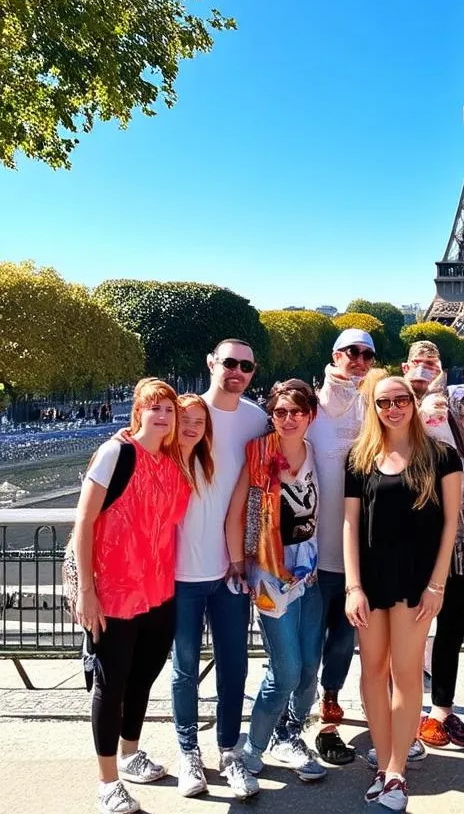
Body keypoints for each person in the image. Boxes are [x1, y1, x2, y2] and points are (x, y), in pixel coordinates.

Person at [343, 375, 464, 811]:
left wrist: (437, 584)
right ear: (373, 407)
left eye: (400, 400)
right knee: (373, 670)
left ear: (413, 403)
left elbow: (451, 523)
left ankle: (396, 771)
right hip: (372, 579)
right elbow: (350, 524)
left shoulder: (441, 456)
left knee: (407, 672)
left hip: (417, 580)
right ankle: (384, 762)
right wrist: (352, 586)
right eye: (383, 402)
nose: (392, 408)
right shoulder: (360, 458)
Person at [73, 378, 193, 814]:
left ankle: (129, 753)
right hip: (116, 591)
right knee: (111, 683)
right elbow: (84, 522)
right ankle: (107, 781)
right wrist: (87, 590)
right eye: (153, 408)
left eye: (168, 410)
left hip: (158, 591)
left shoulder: (171, 462)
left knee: (142, 676)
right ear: (138, 411)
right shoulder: (116, 453)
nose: (162, 416)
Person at [172, 341, 266, 799]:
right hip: (179, 569)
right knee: (184, 667)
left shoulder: (256, 419)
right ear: (211, 363)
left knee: (235, 665)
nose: (237, 371)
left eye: (245, 365)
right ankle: (188, 751)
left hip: (231, 568)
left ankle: (229, 750)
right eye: (229, 362)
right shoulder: (183, 413)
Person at [230, 380, 327, 783]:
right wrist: (239, 564)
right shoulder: (258, 454)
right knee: (285, 670)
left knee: (309, 668)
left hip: (310, 569)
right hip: (271, 572)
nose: (288, 419)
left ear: (311, 416)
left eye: (297, 412)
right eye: (281, 412)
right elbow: (236, 511)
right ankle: (253, 745)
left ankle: (290, 733)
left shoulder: (313, 452)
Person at [400, 343, 464, 752]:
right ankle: (407, 716)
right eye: (418, 363)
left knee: (449, 633)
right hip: (412, 548)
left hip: (457, 545)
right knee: (411, 634)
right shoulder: (391, 406)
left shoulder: (453, 407)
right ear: (405, 365)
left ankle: (441, 711)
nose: (424, 369)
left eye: (431, 364)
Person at [305, 328, 376, 743]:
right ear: (336, 354)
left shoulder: (373, 408)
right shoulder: (308, 409)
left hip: (356, 554)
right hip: (311, 552)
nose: (360, 360)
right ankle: (299, 708)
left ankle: (329, 694)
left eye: (367, 355)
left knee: (343, 639)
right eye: (353, 352)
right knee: (310, 638)